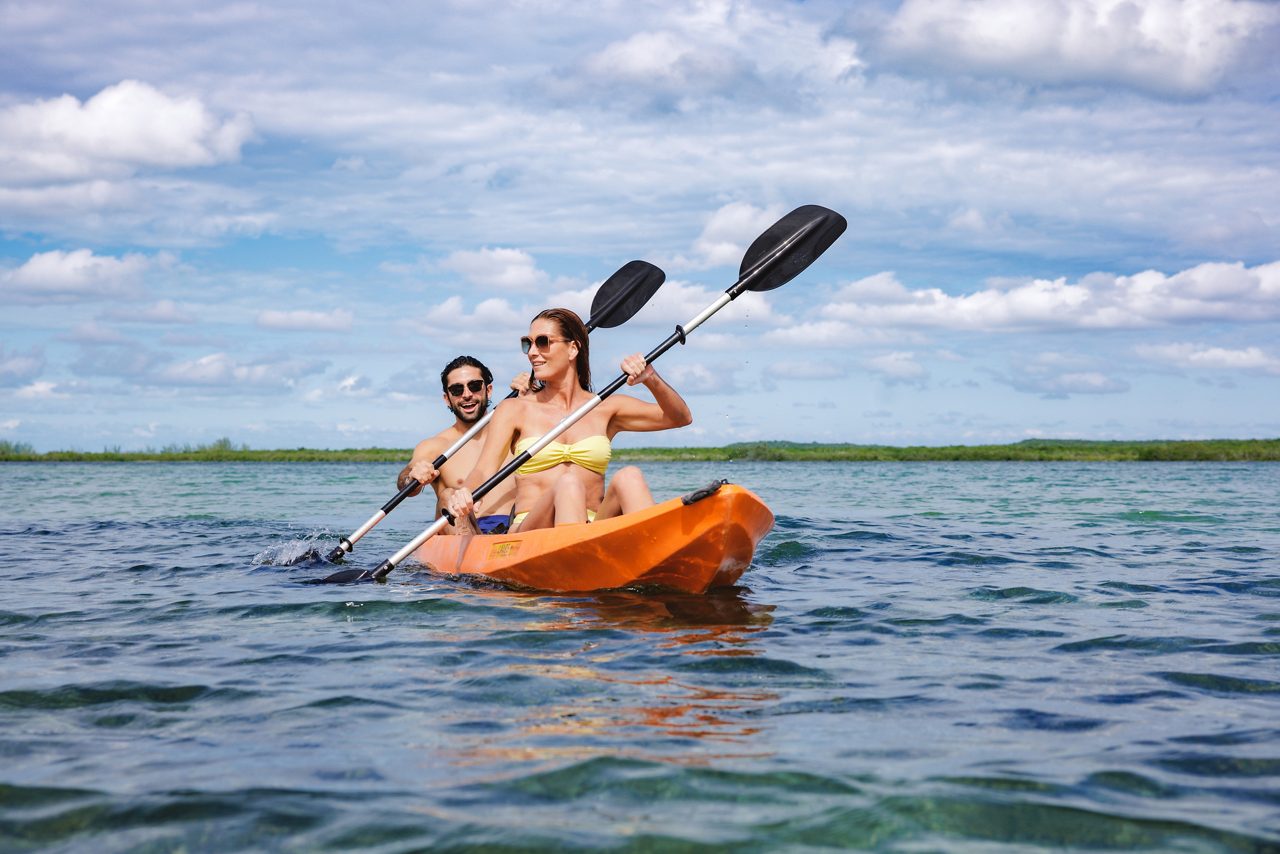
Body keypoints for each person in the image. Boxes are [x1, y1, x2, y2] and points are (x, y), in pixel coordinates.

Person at [446, 308, 691, 532]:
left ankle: (660, 555)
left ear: (573, 349)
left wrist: (650, 378)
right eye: (527, 344)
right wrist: (465, 492)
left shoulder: (604, 407)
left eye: (543, 342)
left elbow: (679, 418)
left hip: (592, 527)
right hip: (532, 530)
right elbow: (484, 469)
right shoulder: (514, 409)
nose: (532, 352)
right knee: (568, 484)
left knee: (630, 476)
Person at [398, 355, 521, 534]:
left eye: (474, 386)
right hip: (464, 531)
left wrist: (534, 395)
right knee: (449, 495)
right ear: (447, 399)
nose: (467, 394)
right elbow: (406, 484)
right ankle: (474, 556)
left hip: (516, 529)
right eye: (456, 389)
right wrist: (412, 478)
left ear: (489, 390)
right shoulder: (434, 446)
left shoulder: (518, 434)